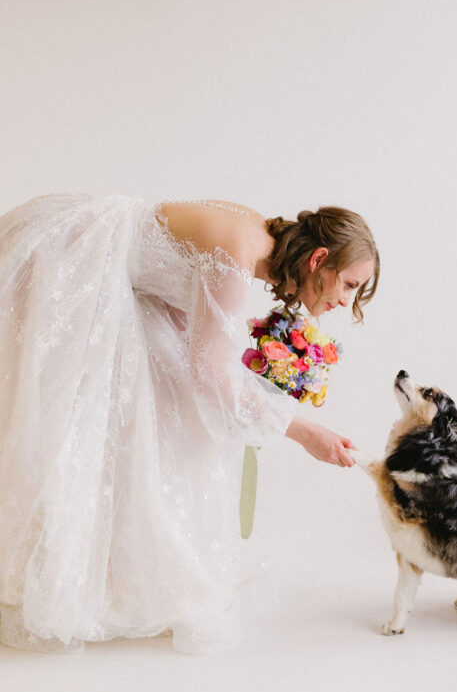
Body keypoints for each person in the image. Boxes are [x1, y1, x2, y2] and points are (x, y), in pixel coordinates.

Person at [0, 193, 379, 654]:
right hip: (67, 255)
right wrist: (301, 432)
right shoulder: (238, 250)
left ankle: (115, 580)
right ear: (319, 259)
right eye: (349, 284)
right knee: (64, 422)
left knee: (159, 411)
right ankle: (52, 580)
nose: (345, 300)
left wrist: (256, 392)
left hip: (120, 279)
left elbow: (187, 322)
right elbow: (212, 376)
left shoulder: (260, 240)